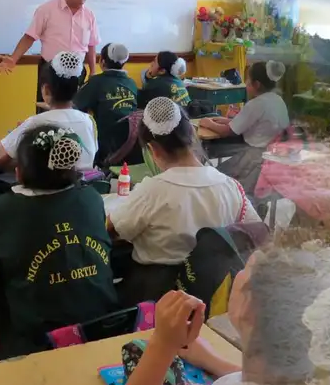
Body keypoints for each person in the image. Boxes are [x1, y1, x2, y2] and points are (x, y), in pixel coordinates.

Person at [0, 125, 121, 385]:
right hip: (98, 323)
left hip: (39, 335)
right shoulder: (91, 199)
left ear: (19, 172)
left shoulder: (10, 209)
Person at [114, 249, 328, 385]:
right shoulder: (325, 384)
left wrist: (162, 344)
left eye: (245, 269)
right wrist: (213, 361)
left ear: (249, 308)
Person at [107, 97, 260, 277]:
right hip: (212, 292)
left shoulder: (152, 191)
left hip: (157, 295)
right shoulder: (231, 187)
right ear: (192, 134)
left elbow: (113, 229)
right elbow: (256, 230)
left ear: (152, 148)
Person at [0, 0, 99, 107]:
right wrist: (14, 58)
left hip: (77, 72)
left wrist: (93, 71)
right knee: (46, 111)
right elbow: (30, 36)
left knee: (75, 111)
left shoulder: (89, 15)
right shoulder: (47, 10)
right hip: (50, 70)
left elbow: (91, 45)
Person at [0, 51, 97, 170]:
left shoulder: (35, 123)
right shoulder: (88, 121)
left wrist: (12, 141)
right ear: (77, 90)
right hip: (84, 186)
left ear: (46, 90)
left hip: (46, 187)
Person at [199, 61, 290, 193]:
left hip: (254, 157)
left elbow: (227, 131)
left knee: (217, 176)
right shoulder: (278, 100)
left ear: (256, 84)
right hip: (273, 155)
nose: (246, 83)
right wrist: (225, 120)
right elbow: (249, 122)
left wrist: (208, 123)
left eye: (248, 80)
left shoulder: (256, 103)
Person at [73, 42, 139, 167]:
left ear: (102, 62)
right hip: (130, 146)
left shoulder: (95, 82)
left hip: (104, 146)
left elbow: (75, 107)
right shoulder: (132, 83)